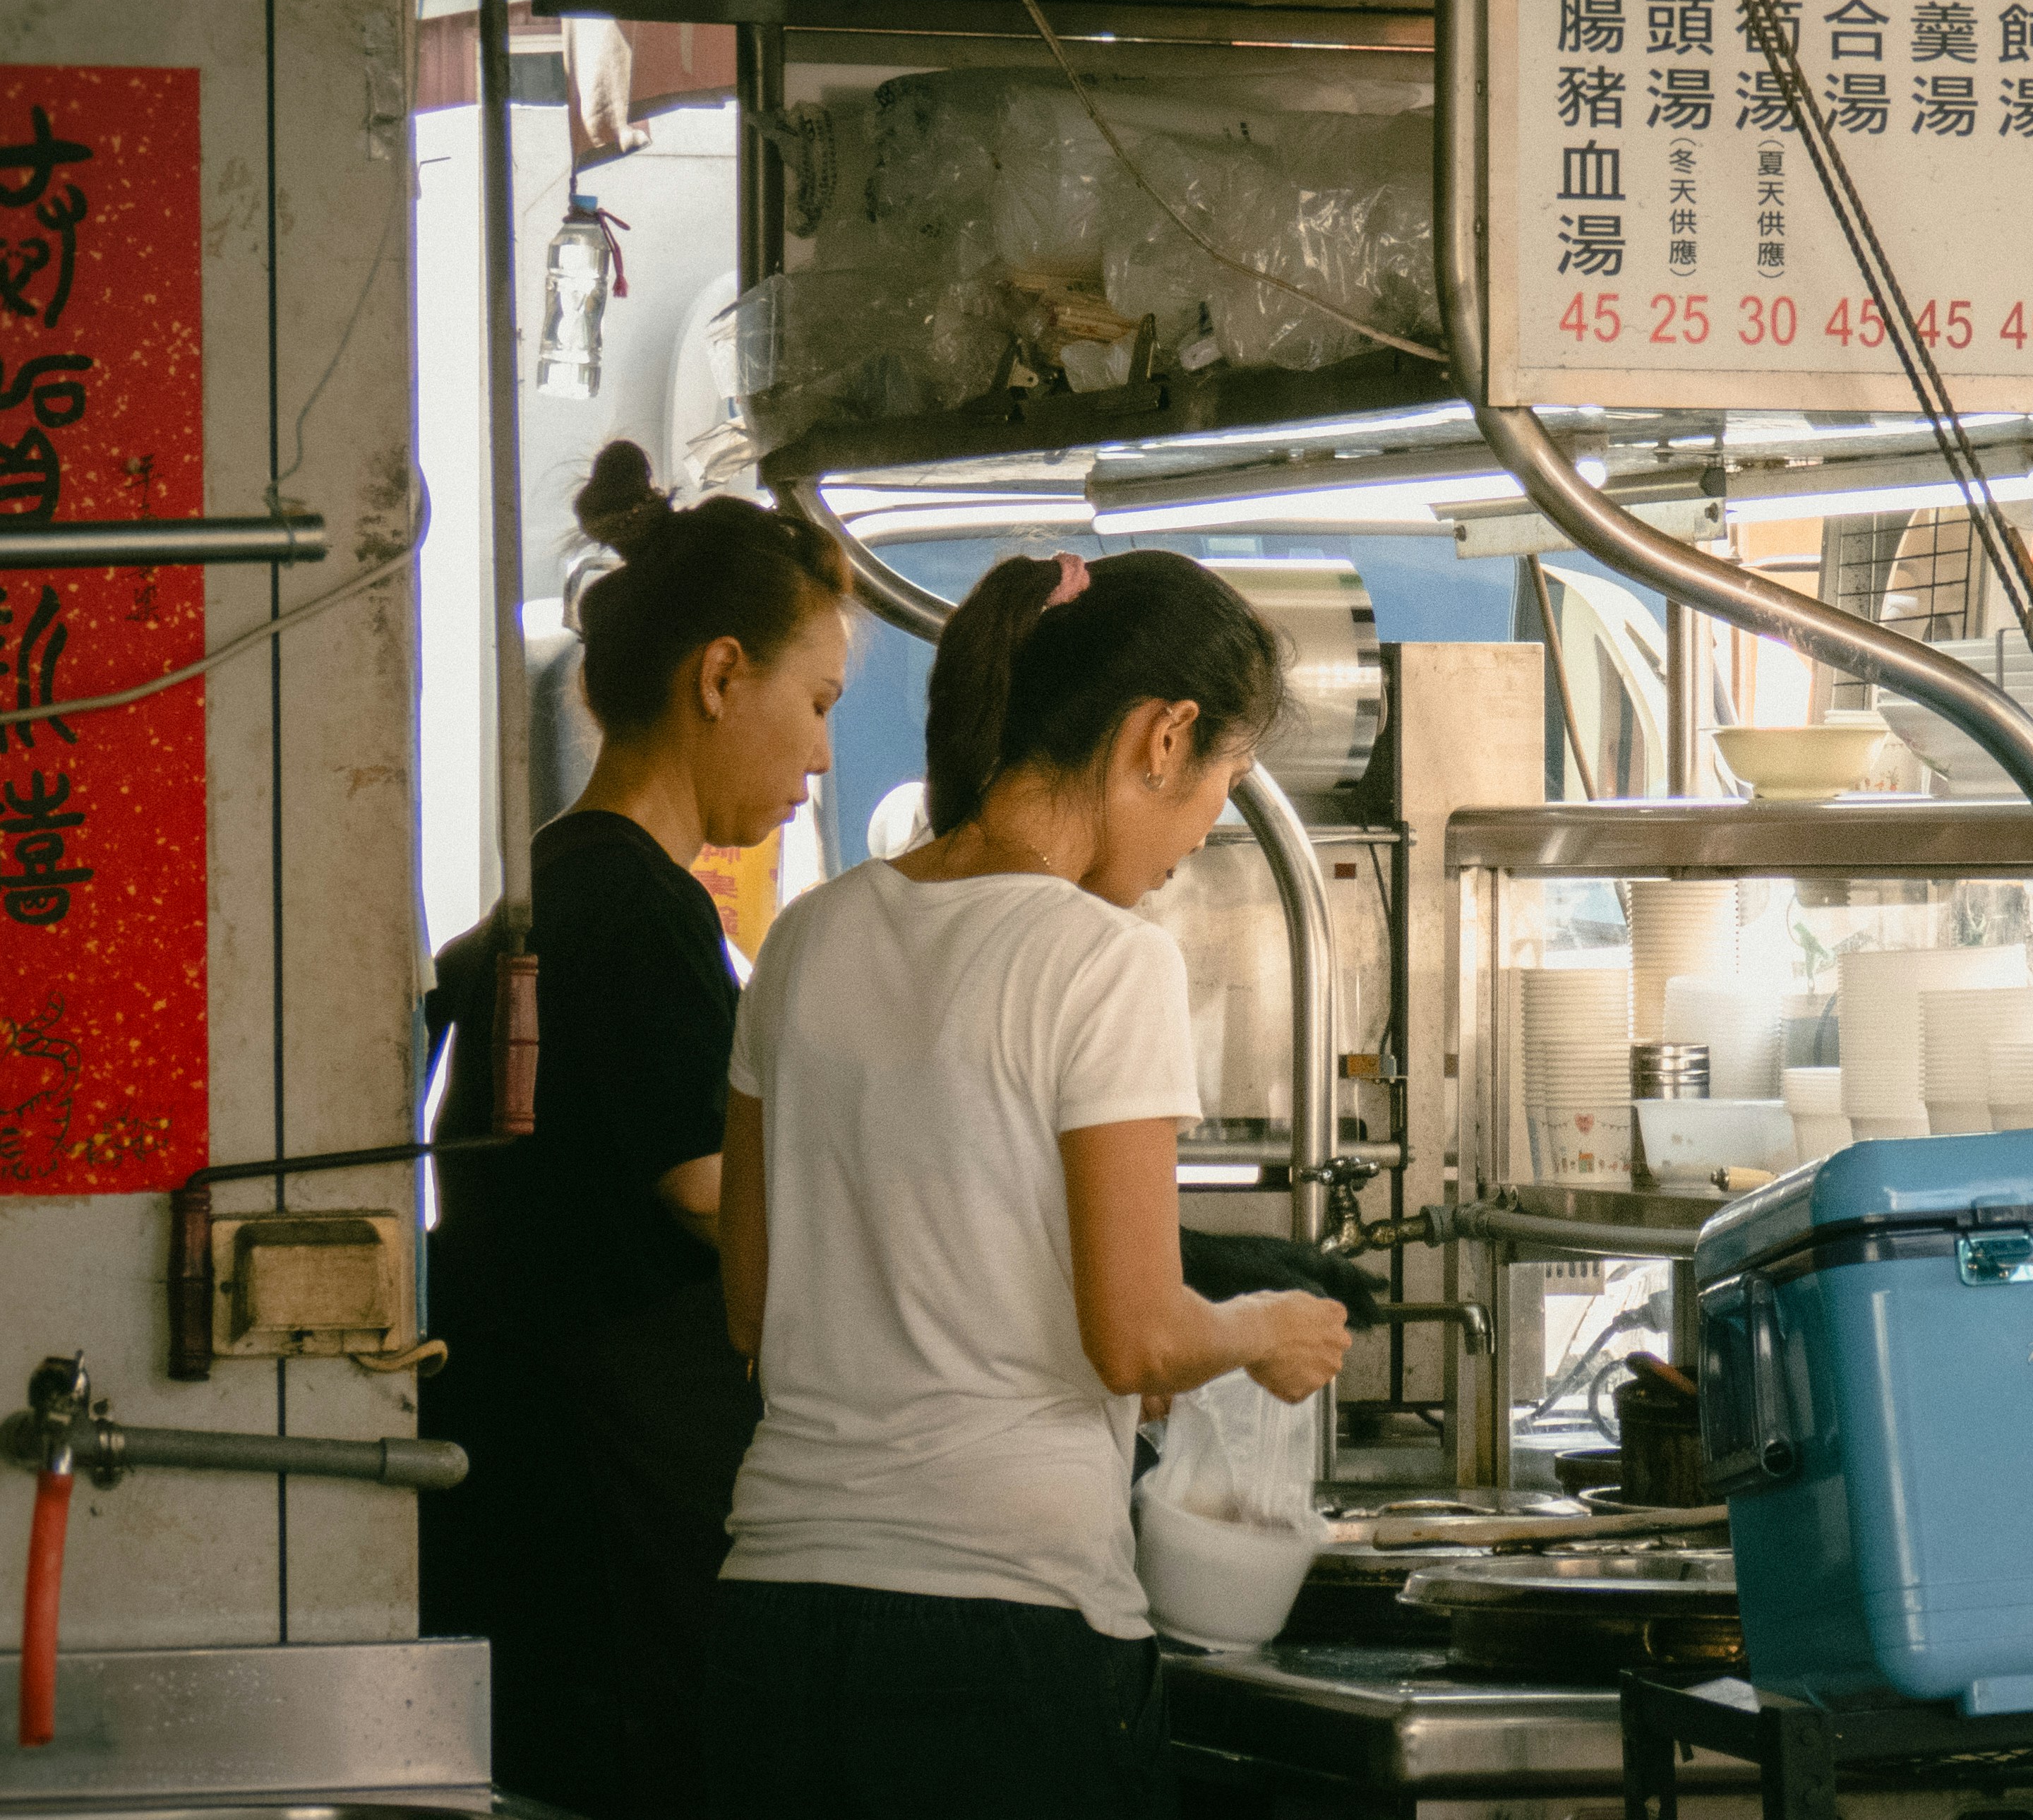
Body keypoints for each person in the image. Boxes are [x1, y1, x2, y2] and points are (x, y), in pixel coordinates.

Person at [709, 547, 1353, 1819]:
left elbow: (754, 1308)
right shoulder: (1104, 960)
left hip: (779, 1614)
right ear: (1162, 738)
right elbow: (1137, 1337)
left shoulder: (810, 936)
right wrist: (1266, 1329)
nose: (1189, 848)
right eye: (1213, 796)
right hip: (1003, 1636)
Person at [419, 441, 854, 1820]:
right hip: (608, 1538)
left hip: (538, 1528)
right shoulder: (641, 915)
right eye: (818, 700)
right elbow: (720, 1200)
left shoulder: (547, 896)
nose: (822, 753)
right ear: (722, 675)